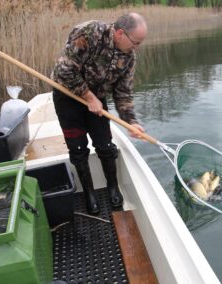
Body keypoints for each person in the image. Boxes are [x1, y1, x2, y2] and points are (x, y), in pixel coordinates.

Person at [51, 13, 147, 214]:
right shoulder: (89, 32)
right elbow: (64, 69)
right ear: (120, 33)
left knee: (105, 145)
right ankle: (89, 193)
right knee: (77, 148)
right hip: (68, 96)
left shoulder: (129, 56)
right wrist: (88, 96)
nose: (137, 47)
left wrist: (131, 121)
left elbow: (123, 92)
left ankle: (112, 187)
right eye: (136, 42)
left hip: (96, 98)